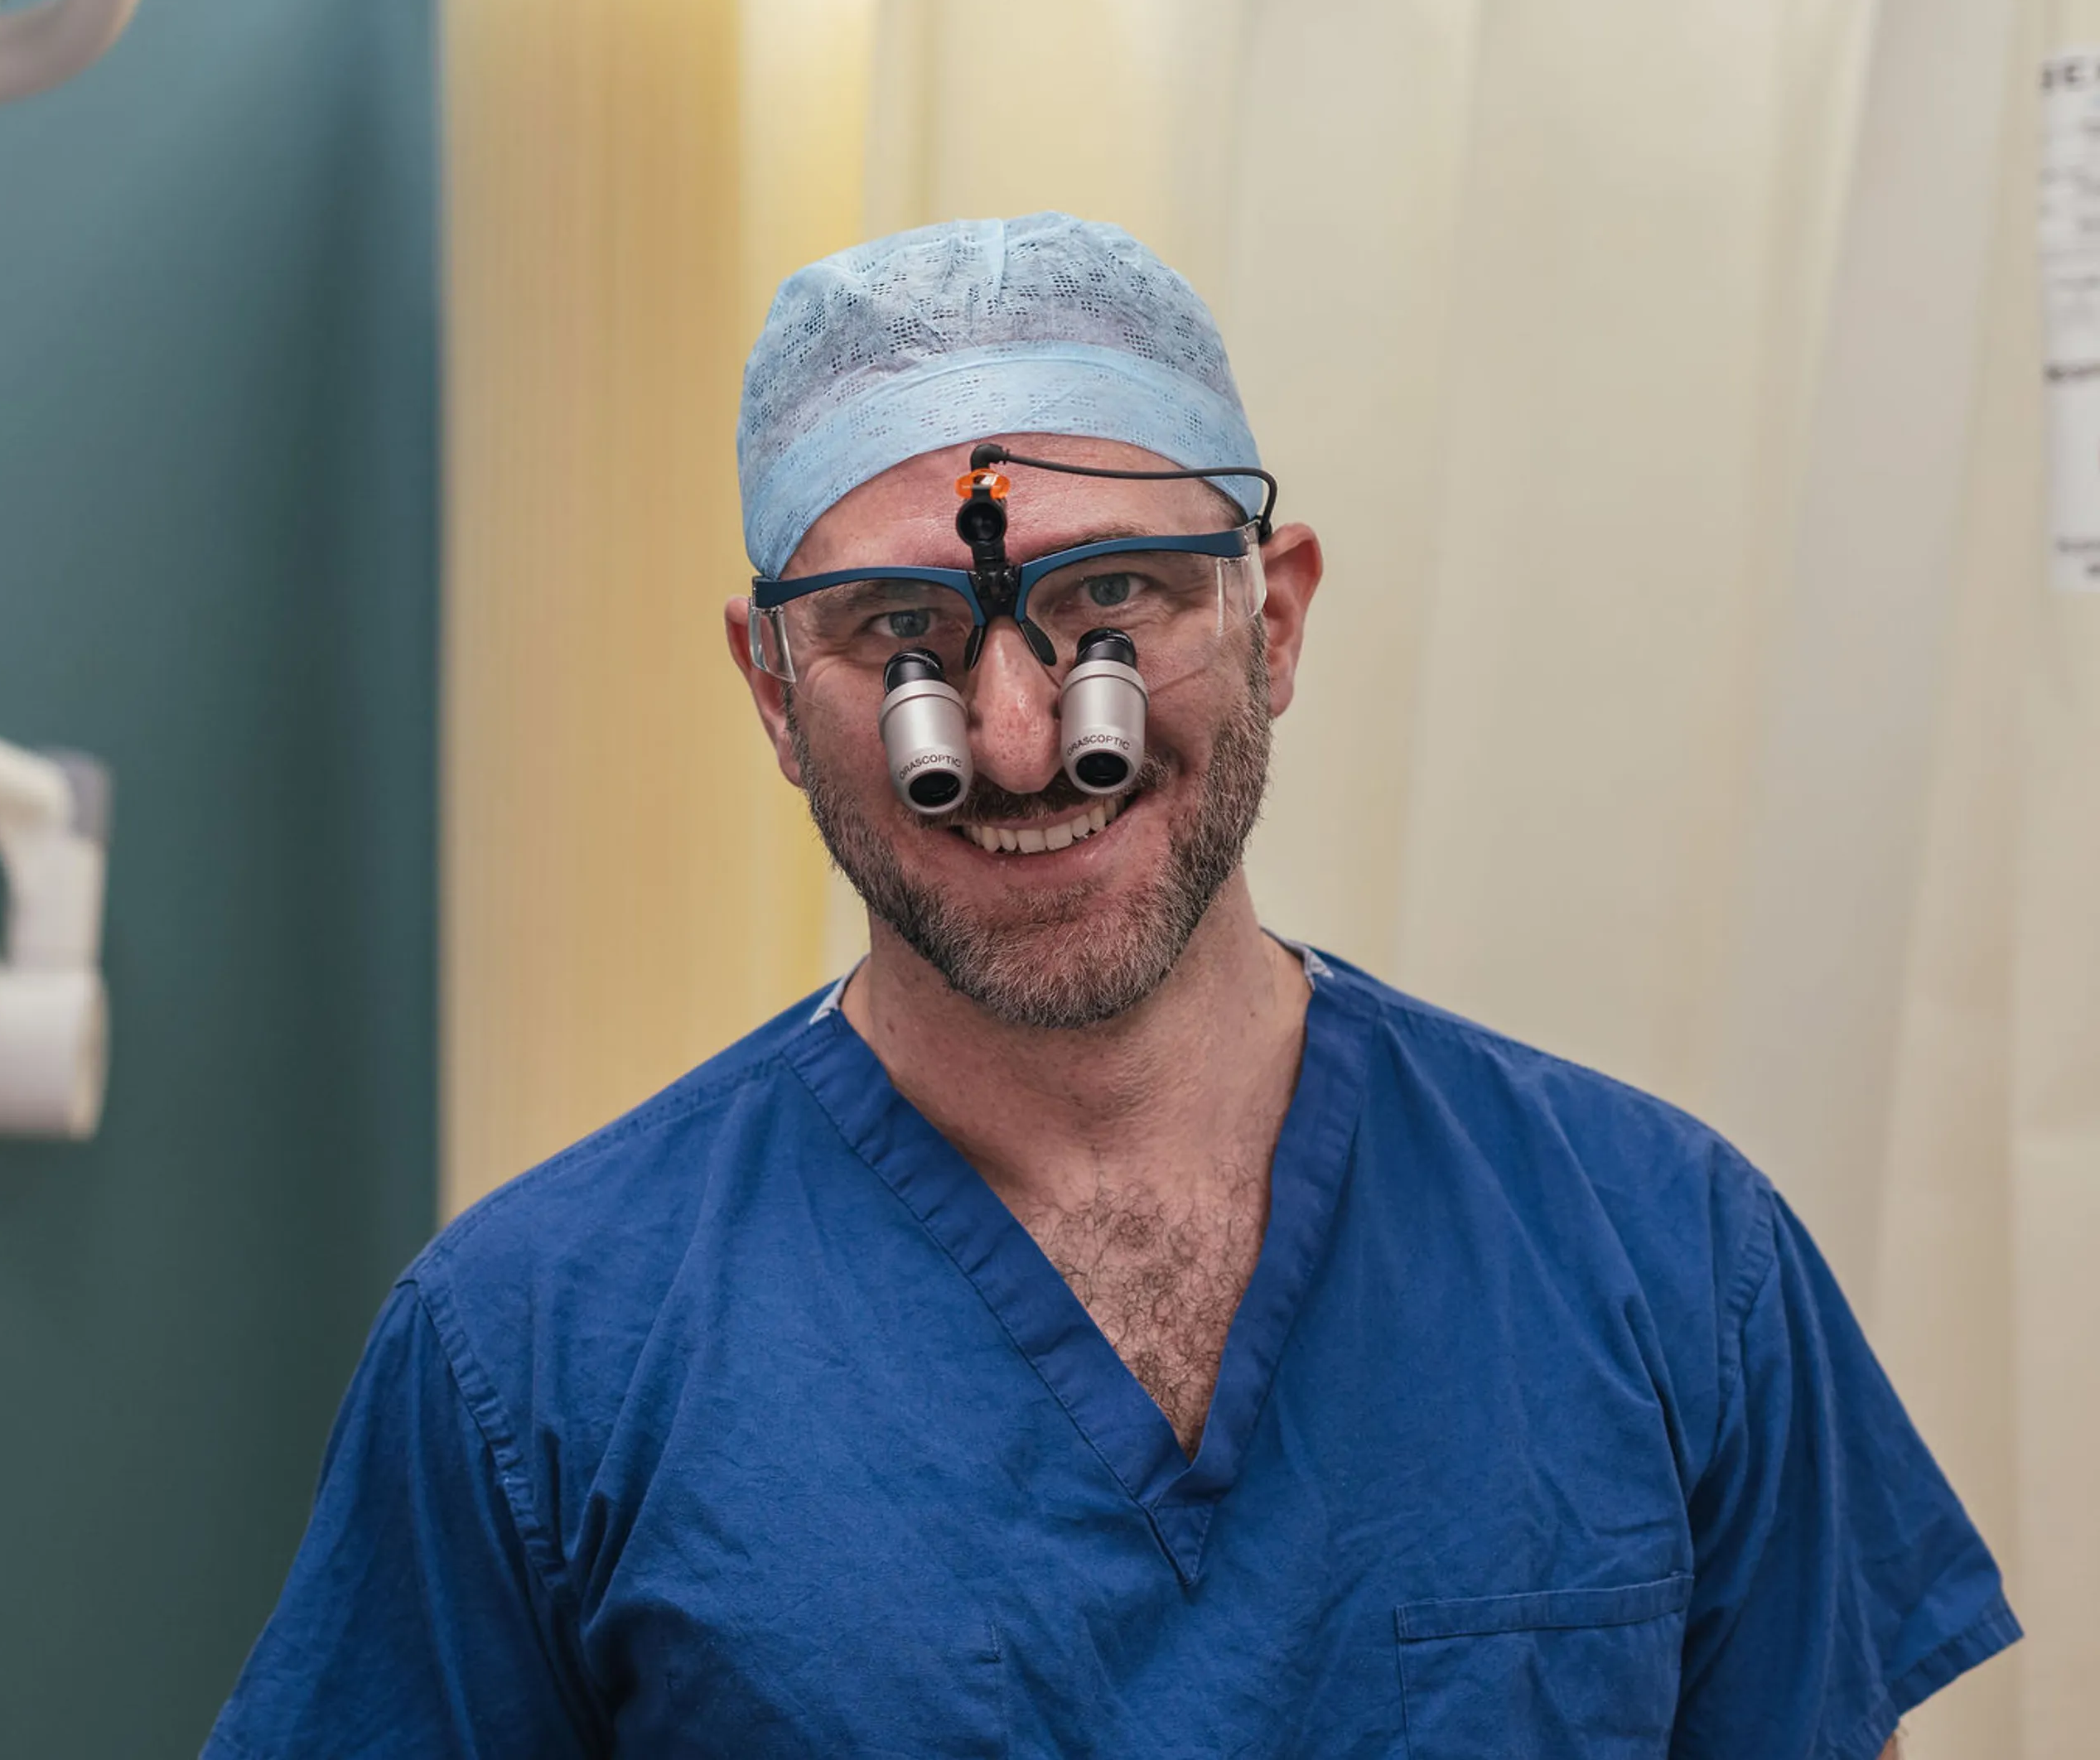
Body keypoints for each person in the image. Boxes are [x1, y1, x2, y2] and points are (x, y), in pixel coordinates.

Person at [205, 214, 2015, 1758]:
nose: (1013, 737)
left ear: (1276, 617)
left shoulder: (1667, 1261)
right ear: (770, 690)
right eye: (893, 639)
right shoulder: (533, 1355)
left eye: (1115, 602)